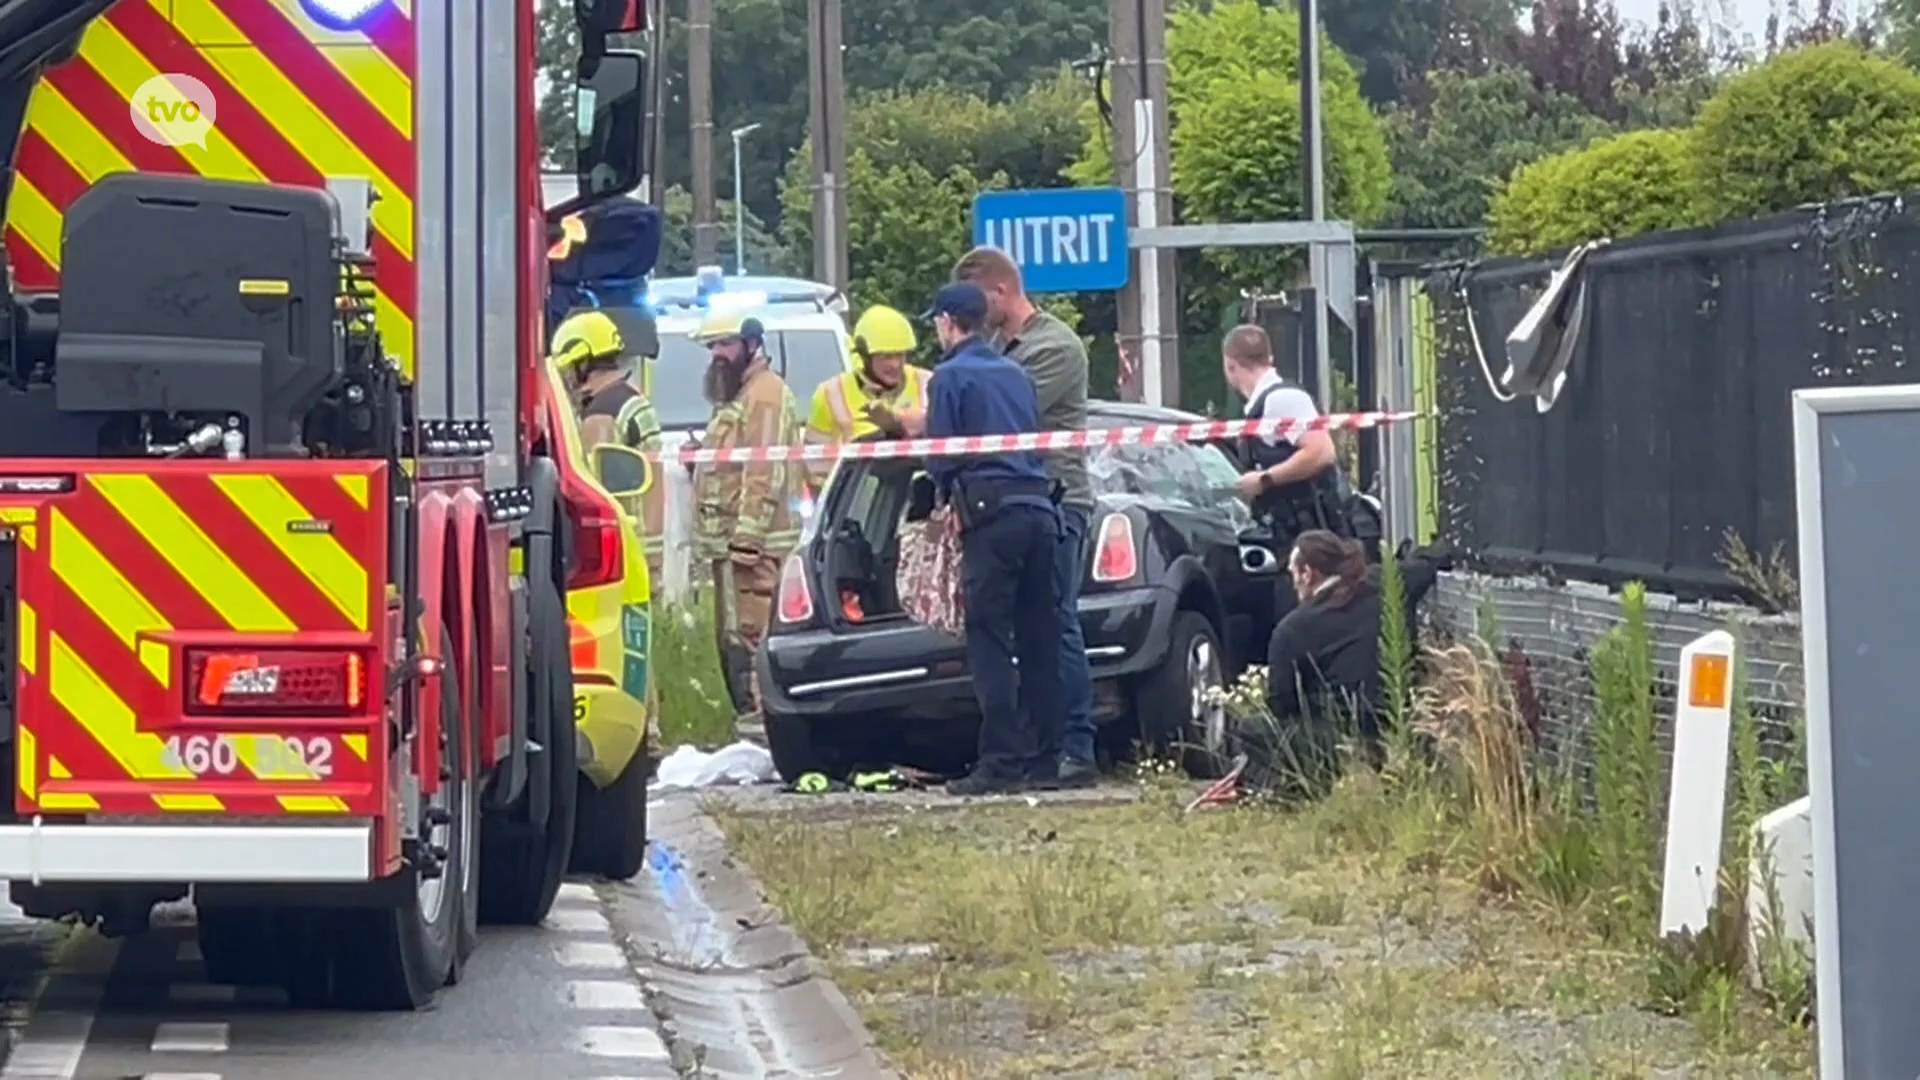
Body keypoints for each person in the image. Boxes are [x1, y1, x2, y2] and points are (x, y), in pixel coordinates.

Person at [951, 246, 1097, 788]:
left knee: (1056, 624)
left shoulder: (1054, 347)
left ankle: (1075, 747)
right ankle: (1034, 751)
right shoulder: (995, 346)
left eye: (975, 300)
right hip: (1015, 503)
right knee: (1029, 631)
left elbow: (1004, 411)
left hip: (1059, 501)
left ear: (999, 292)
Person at [922, 281, 1065, 796]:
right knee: (1039, 637)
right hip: (1040, 511)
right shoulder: (1017, 373)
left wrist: (941, 499)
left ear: (947, 322)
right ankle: (1047, 759)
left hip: (990, 517)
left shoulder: (947, 378)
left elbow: (941, 457)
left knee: (989, 640)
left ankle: (1000, 762)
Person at [1254, 531, 1445, 797]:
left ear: (1307, 574)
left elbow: (1280, 705)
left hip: (1339, 737)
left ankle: (1289, 792)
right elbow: (1432, 561)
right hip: (1399, 721)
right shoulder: (1389, 581)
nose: (1293, 583)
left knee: (1250, 730)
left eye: (1293, 574)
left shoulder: (1292, 629)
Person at [690, 309, 804, 743]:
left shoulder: (766, 395)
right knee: (734, 636)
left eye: (726, 345)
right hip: (731, 543)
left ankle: (764, 726)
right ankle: (753, 727)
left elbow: (764, 469)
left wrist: (749, 538)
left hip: (755, 547)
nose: (717, 355)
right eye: (713, 346)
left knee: (754, 636)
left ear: (752, 345)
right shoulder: (741, 395)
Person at [550, 309, 666, 586]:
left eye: (568, 370)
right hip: (648, 541)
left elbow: (592, 485)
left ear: (583, 364)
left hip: (623, 545)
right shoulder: (633, 400)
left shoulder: (602, 415)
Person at [804, 304, 929, 484]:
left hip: (919, 499)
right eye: (886, 357)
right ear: (865, 356)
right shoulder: (830, 394)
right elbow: (815, 464)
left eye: (900, 355)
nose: (895, 364)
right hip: (856, 502)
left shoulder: (927, 384)